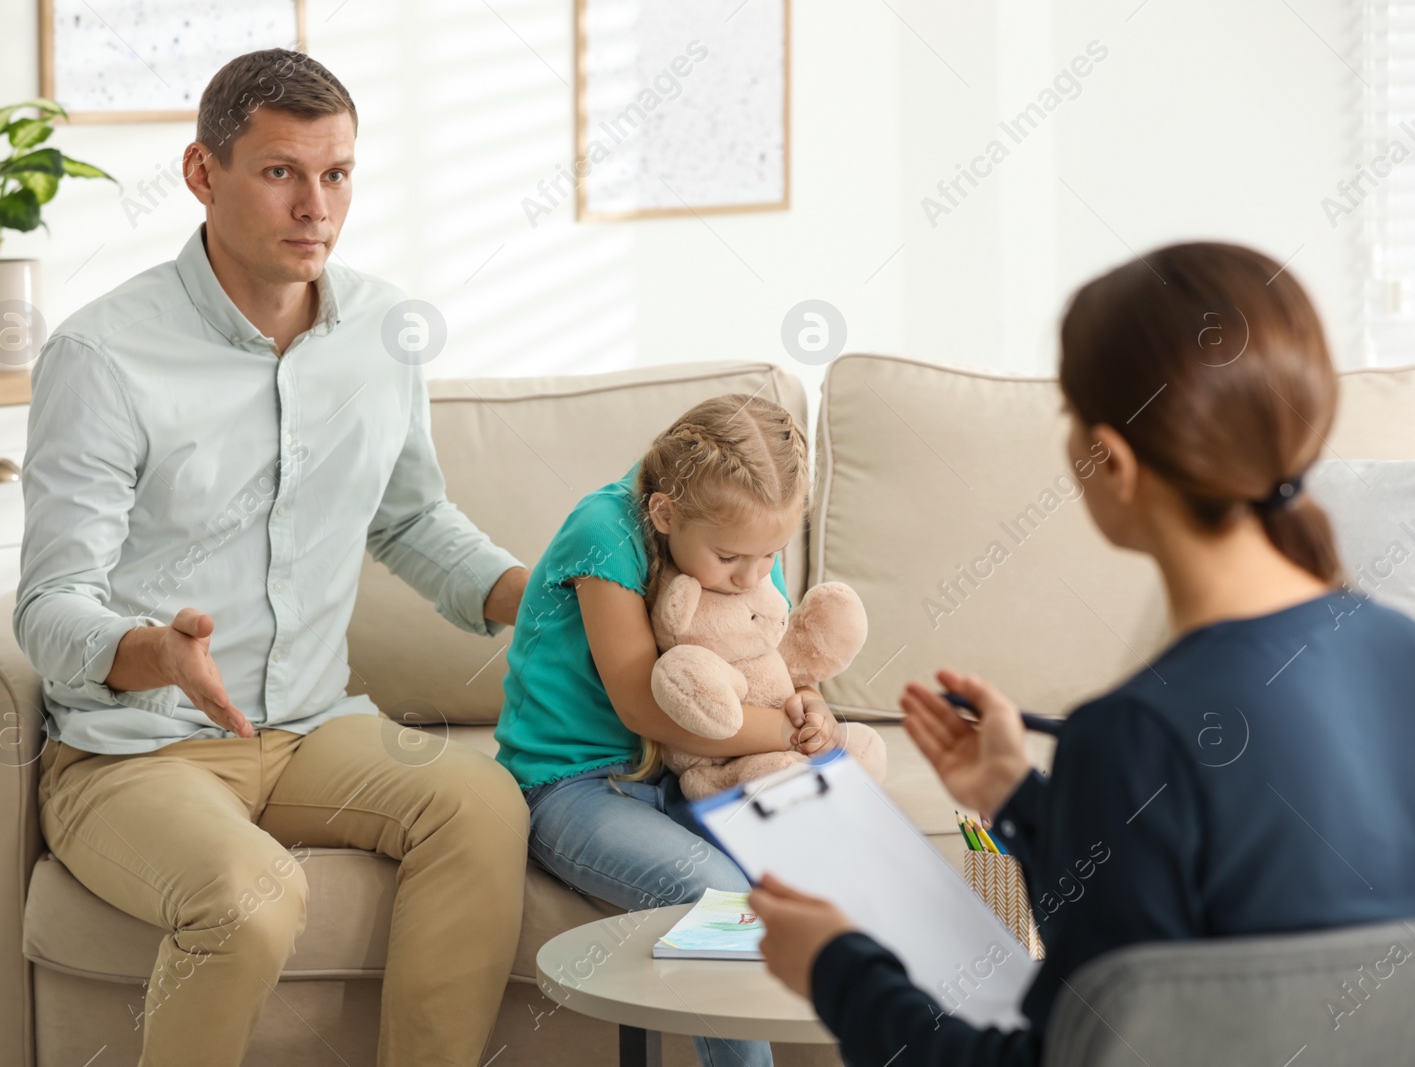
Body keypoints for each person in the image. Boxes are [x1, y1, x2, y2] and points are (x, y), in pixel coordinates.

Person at [748, 242, 1415, 1064]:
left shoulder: (1134, 736)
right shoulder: (1400, 651)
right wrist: (1024, 799)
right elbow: (1182, 977)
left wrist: (836, 967)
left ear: (1115, 460)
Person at [14, 49, 531, 1067]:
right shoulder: (102, 353)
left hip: (305, 730)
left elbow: (411, 520)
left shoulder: (382, 329)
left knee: (481, 802)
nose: (315, 207)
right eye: (281, 172)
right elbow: (49, 603)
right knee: (255, 897)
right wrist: (155, 650)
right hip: (133, 750)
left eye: (335, 174)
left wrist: (548, 595)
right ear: (203, 174)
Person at [493, 394, 853, 1067]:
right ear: (665, 514)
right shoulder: (604, 531)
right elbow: (643, 708)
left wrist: (807, 707)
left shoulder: (741, 536)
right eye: (732, 559)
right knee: (714, 893)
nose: (754, 575)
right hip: (573, 783)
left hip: (687, 773)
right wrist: (782, 730)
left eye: (771, 554)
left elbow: (761, 657)